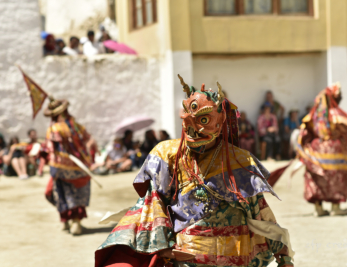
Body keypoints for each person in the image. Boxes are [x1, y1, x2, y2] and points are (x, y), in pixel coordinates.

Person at [95, 76, 294, 267]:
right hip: (186, 256)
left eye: (204, 121)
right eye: (189, 121)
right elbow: (154, 202)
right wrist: (162, 246)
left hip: (235, 255)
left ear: (220, 120)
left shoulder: (239, 160)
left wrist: (283, 257)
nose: (194, 129)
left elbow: (259, 210)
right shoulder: (167, 155)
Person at [297, 83, 347, 216]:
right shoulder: (337, 115)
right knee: (336, 176)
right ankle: (335, 207)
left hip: (316, 149)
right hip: (335, 150)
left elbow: (304, 133)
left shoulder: (313, 115)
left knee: (317, 178)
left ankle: (318, 208)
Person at [44, 96, 95, 235]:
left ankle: (70, 222)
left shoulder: (54, 128)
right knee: (75, 194)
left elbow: (51, 149)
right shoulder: (76, 126)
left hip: (61, 168)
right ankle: (73, 222)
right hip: (80, 166)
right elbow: (90, 141)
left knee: (62, 193)